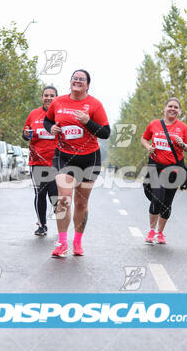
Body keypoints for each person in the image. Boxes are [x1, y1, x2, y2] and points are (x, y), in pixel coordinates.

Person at [44, 69, 110, 257]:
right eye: (75, 78)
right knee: (64, 199)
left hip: (89, 158)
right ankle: (62, 243)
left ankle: (77, 241)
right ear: (70, 82)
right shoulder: (58, 102)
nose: (78, 81)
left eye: (82, 79)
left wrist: (88, 122)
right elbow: (47, 120)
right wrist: (52, 128)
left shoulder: (94, 105)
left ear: (88, 85)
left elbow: (106, 133)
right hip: (63, 156)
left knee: (81, 204)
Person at [140, 97, 187, 244]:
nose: (173, 109)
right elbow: (144, 139)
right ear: (165, 108)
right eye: (170, 106)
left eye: (176, 107)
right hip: (156, 167)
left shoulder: (183, 127)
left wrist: (182, 144)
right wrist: (148, 147)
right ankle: (151, 230)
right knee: (158, 198)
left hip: (174, 170)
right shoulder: (154, 125)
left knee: (167, 202)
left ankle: (160, 233)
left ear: (179, 111)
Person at [23, 86, 59, 236]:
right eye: (46, 95)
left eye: (52, 95)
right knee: (40, 193)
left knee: (55, 195)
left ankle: (61, 223)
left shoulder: (60, 115)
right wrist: (26, 134)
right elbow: (25, 134)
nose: (49, 98)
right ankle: (42, 225)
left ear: (56, 97)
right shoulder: (34, 114)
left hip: (57, 162)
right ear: (42, 97)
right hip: (37, 161)